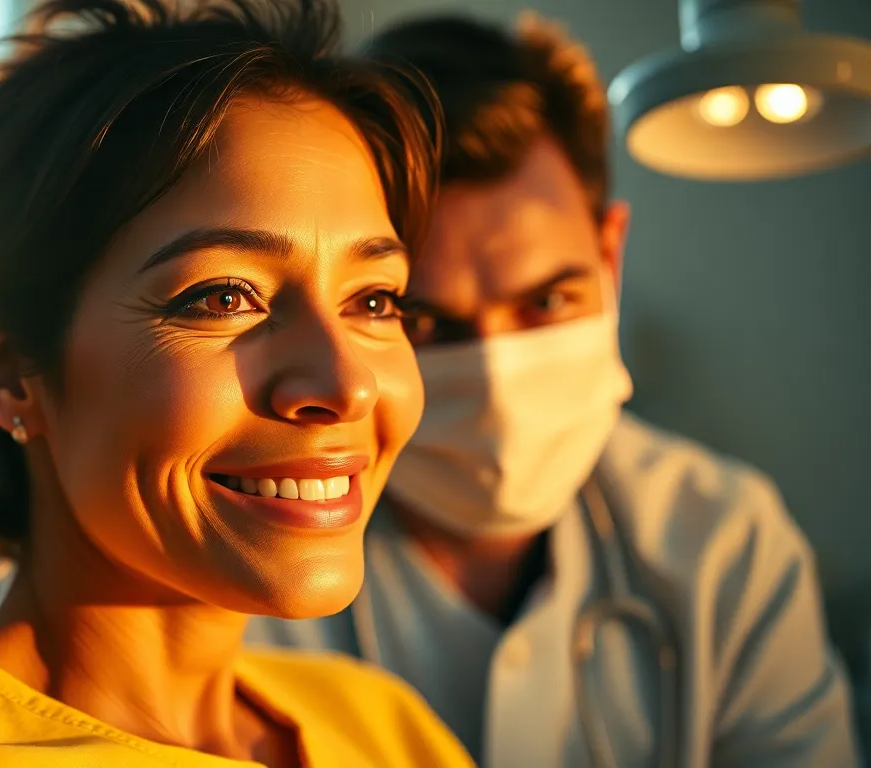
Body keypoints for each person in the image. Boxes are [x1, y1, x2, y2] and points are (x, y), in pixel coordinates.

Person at [0, 1, 475, 766]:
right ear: (6, 365)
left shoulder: (381, 723)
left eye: (374, 300)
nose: (347, 384)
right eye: (223, 297)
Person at [242, 13, 862, 768]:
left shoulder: (723, 543)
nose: (497, 378)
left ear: (610, 258)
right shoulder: (249, 574)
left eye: (546, 301)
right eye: (423, 320)